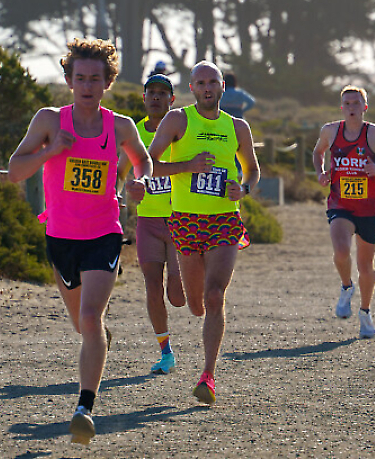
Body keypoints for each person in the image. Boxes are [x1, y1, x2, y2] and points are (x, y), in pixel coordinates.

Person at [8, 39, 152, 445]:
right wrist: (51, 150)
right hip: (60, 237)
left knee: (90, 318)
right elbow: (16, 171)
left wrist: (139, 180)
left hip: (104, 234)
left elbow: (142, 159)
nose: (87, 86)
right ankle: (98, 339)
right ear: (69, 81)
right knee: (83, 323)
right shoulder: (49, 120)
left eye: (95, 79)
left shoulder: (119, 126)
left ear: (108, 82)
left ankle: (84, 408)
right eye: (80, 78)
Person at [148, 61, 260, 405]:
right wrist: (188, 166)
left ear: (223, 86)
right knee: (195, 305)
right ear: (192, 88)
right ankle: (198, 318)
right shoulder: (177, 120)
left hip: (224, 219)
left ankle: (208, 376)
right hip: (186, 221)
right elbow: (149, 164)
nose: (207, 88)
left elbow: (252, 170)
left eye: (213, 82)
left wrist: (243, 188)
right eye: (201, 83)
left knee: (214, 296)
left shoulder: (237, 127)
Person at [313, 85, 375, 339]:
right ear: (341, 107)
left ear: (365, 107)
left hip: (368, 209)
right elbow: (318, 152)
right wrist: (320, 172)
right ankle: (346, 287)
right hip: (340, 204)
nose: (351, 108)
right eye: (347, 103)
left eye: (356, 103)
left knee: (366, 266)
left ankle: (365, 312)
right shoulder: (330, 131)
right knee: (341, 251)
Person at [117, 74, 186, 375]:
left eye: (162, 93)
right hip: (148, 222)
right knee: (152, 288)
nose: (156, 97)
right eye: (151, 93)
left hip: (181, 220)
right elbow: (121, 173)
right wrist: (125, 191)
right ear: (144, 98)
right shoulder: (135, 133)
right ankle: (166, 352)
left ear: (172, 99)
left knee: (177, 296)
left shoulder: (181, 130)